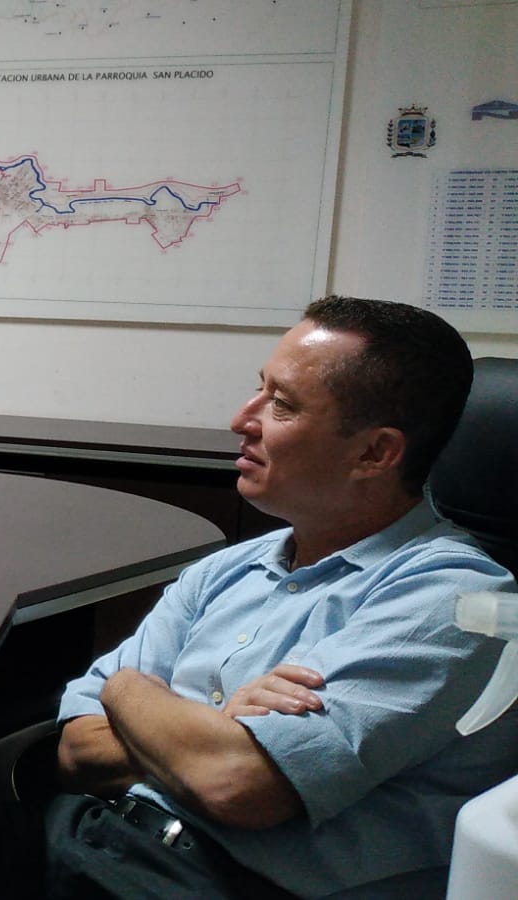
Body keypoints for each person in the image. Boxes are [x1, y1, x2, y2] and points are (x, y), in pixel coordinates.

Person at [45, 296, 518, 898]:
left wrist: (126, 690)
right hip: (102, 840)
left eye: (283, 405)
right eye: (260, 389)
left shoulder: (455, 601)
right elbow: (76, 749)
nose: (242, 419)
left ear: (374, 453)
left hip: (221, 883)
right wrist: (213, 729)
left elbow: (234, 784)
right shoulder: (227, 570)